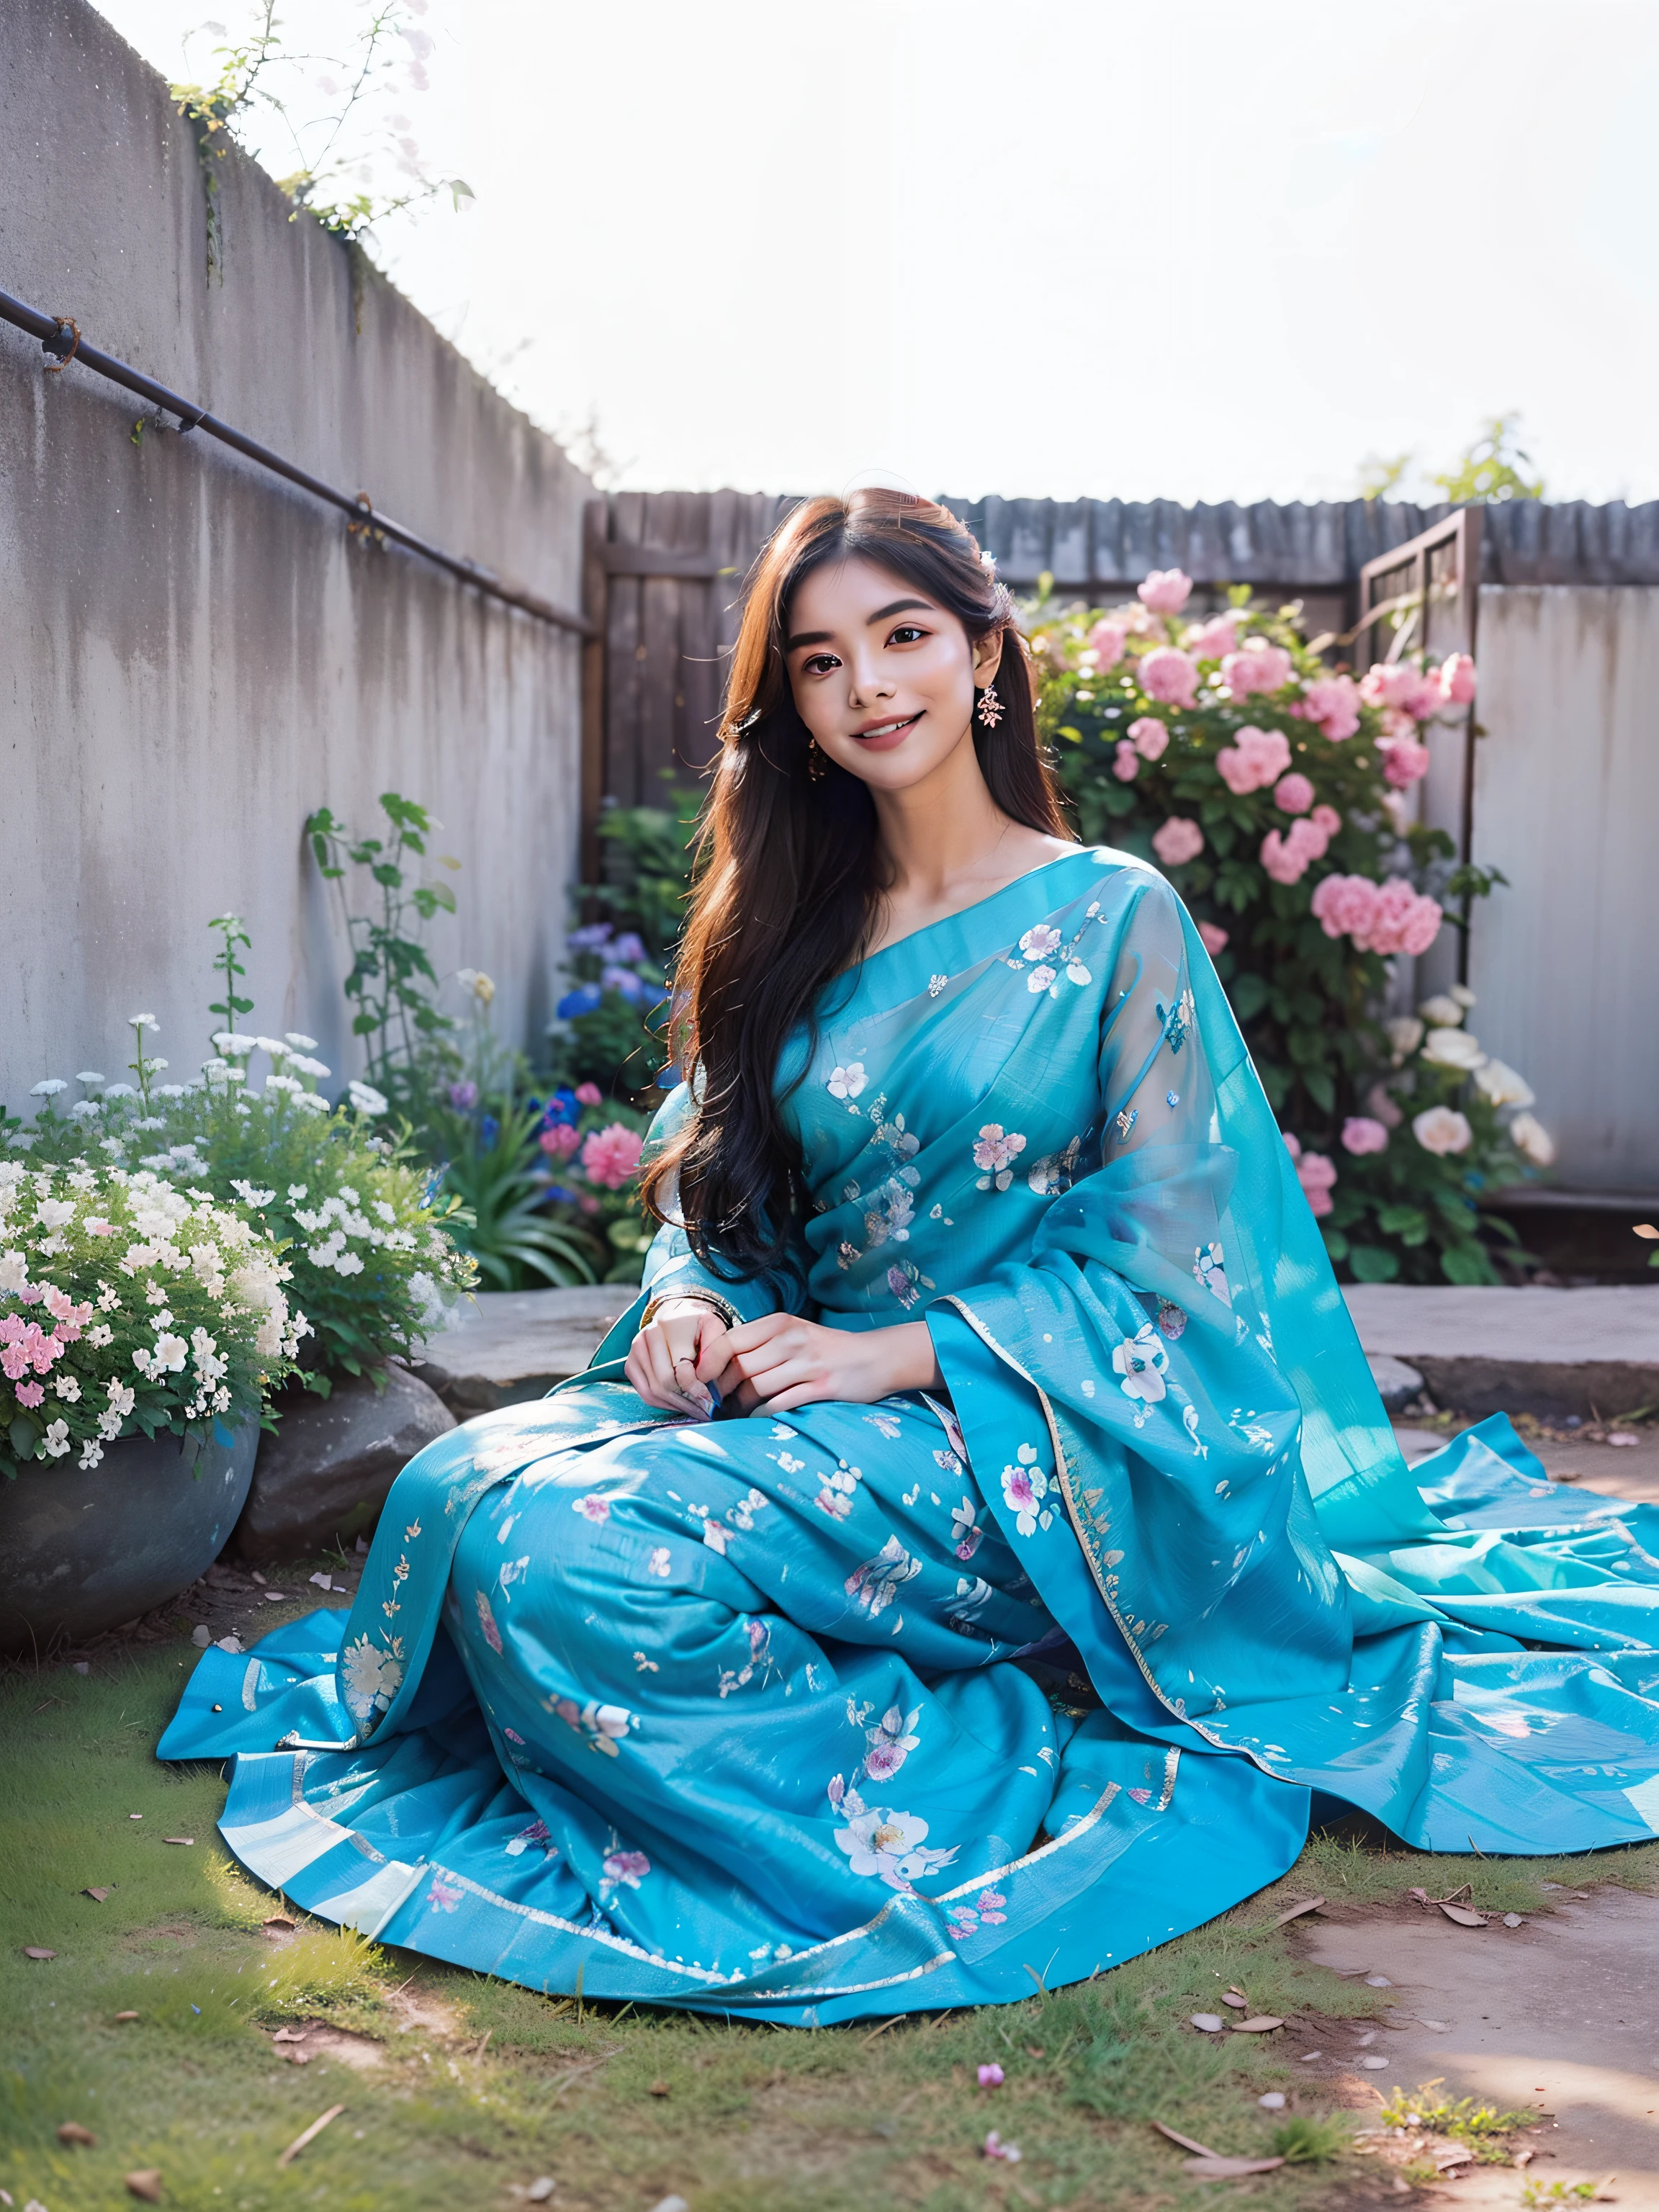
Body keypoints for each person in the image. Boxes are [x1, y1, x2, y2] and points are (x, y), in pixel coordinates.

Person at [162, 490, 1659, 2026]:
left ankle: (942, 1761)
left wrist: (899, 1355)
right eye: (820, 662)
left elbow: (1171, 1256)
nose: (869, 686)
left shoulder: (1107, 919)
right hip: (788, 1407)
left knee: (573, 1557)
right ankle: (828, 1692)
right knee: (452, 1493)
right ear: (792, 707)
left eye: (903, 637)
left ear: (984, 655)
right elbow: (719, 1194)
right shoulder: (789, 927)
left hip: (1029, 1442)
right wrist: (687, 1300)